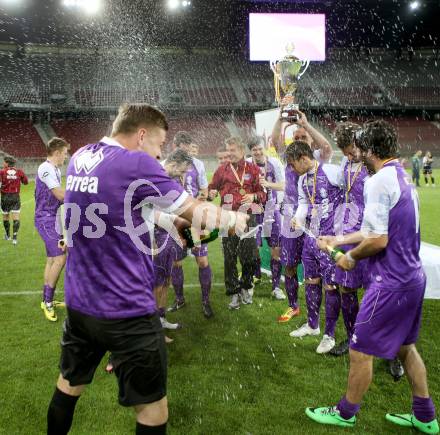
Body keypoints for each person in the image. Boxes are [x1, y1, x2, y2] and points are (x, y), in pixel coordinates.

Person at [47, 103, 248, 435]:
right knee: (153, 409)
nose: (160, 153)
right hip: (126, 310)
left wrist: (171, 223)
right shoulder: (136, 161)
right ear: (141, 135)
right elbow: (198, 211)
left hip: (81, 303)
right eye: (159, 144)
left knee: (68, 385)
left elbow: (124, 208)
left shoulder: (82, 156)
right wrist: (232, 219)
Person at [307, 120, 439, 434]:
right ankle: (425, 415)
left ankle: (345, 413)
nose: (357, 155)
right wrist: (337, 241)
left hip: (390, 282)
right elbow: (373, 230)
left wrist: (350, 258)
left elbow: (378, 241)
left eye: (360, 149)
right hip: (411, 277)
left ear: (369, 149)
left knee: (359, 349)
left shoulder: (378, 180)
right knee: (407, 348)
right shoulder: (400, 174)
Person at [271, 103, 332, 323]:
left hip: (315, 220)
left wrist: (306, 124)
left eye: (303, 137)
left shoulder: (315, 157)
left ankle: (319, 307)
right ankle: (293, 305)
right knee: (289, 264)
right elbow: (274, 140)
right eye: (295, 136)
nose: (298, 139)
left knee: (316, 265)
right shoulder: (289, 157)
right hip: (291, 218)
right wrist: (280, 120)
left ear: (309, 142)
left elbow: (326, 147)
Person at [286, 141, 344, 354]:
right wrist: (297, 217)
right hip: (311, 237)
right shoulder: (302, 179)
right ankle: (312, 325)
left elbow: (349, 193)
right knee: (311, 280)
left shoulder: (331, 171)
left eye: (293, 164)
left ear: (303, 158)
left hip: (329, 239)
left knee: (330, 286)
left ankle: (329, 334)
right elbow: (303, 202)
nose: (292, 169)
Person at [208, 136, 266, 309]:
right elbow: (213, 187)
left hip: (248, 218)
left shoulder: (254, 169)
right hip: (228, 219)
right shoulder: (222, 170)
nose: (229, 153)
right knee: (230, 257)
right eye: (228, 150)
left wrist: (254, 196)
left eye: (233, 150)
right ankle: (233, 292)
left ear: (242, 151)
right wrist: (211, 193)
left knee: (250, 258)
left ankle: (246, 287)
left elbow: (263, 194)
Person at [328, 122, 368, 356]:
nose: (351, 155)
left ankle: (394, 350)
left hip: (373, 231)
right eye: (346, 153)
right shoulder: (345, 163)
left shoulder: (375, 164)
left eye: (353, 150)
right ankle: (353, 337)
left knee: (381, 290)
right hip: (350, 229)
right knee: (346, 287)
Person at [168, 131, 214, 319]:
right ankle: (179, 299)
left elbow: (204, 189)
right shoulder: (165, 166)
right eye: (182, 147)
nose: (186, 151)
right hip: (175, 221)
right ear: (175, 146)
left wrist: (200, 197)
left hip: (195, 219)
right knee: (175, 262)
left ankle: (206, 301)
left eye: (188, 148)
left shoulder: (198, 164)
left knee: (202, 260)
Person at [154, 148, 193, 333]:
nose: (182, 175)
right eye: (182, 170)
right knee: (157, 282)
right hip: (153, 235)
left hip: (168, 231)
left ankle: (160, 319)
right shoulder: (153, 174)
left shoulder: (169, 177)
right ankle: (153, 326)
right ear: (174, 164)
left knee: (166, 278)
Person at [246, 136, 286, 300]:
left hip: (272, 211)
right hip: (254, 211)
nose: (257, 151)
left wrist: (267, 185)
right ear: (251, 151)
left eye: (259, 148)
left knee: (275, 250)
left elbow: (283, 185)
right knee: (253, 249)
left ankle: (276, 287)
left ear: (265, 148)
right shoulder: (247, 164)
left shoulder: (274, 163)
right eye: (254, 149)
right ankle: (255, 278)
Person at [35, 137, 70, 322]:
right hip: (45, 219)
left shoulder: (54, 168)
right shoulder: (46, 168)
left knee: (51, 260)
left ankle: (46, 299)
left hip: (52, 218)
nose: (65, 156)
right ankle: (47, 302)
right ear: (57, 153)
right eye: (64, 153)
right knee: (60, 257)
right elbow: (58, 194)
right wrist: (84, 196)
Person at [0, 156, 28, 245]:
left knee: (5, 216)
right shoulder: (19, 172)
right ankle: (15, 238)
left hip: (5, 197)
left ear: (7, 163)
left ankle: (8, 236)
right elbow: (26, 182)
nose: (3, 164)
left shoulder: (2, 172)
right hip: (15, 197)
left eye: (4, 162)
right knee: (16, 217)